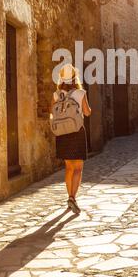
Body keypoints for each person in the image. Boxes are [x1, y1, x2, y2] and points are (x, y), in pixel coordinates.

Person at [51, 64, 91, 214]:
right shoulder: (80, 93)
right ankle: (73, 197)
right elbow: (87, 113)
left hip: (63, 134)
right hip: (77, 131)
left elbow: (52, 113)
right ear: (75, 78)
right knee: (78, 168)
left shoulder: (56, 95)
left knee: (68, 167)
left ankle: (70, 196)